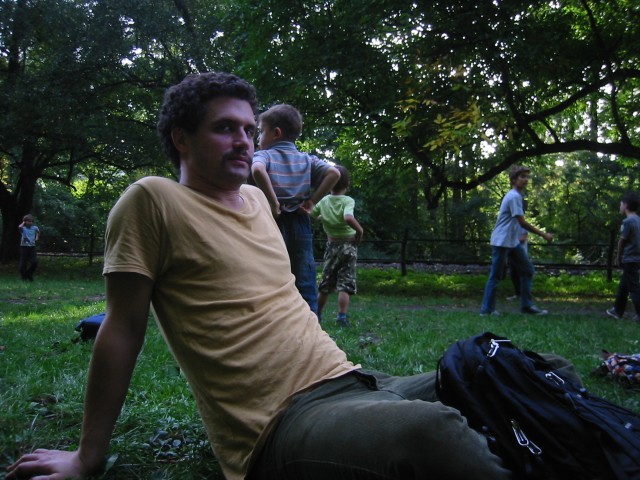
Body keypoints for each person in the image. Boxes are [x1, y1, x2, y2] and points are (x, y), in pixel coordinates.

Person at [7, 72, 513, 480]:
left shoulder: (256, 200)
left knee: (503, 370)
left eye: (249, 129)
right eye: (225, 128)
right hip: (280, 423)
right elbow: (122, 327)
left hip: (354, 381)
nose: (243, 141)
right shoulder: (153, 200)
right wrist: (87, 457)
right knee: (430, 431)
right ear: (181, 138)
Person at [251, 104, 341, 315]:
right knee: (304, 277)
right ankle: (311, 322)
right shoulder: (306, 159)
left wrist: (273, 202)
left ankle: (273, 317)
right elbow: (334, 174)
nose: (258, 138)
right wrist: (312, 202)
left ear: (276, 133)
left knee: (269, 274)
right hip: (301, 222)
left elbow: (257, 170)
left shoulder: (265, 155)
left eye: (261, 132)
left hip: (272, 221)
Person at [480, 165, 553, 316]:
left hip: (512, 242)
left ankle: (527, 306)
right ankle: (486, 310)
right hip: (502, 241)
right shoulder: (513, 196)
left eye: (527, 177)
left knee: (527, 270)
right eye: (522, 177)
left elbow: (518, 223)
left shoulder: (516, 196)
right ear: (514, 180)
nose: (526, 180)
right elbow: (522, 222)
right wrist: (543, 234)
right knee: (496, 276)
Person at [311, 165, 363, 327]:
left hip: (331, 246)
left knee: (325, 284)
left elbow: (311, 214)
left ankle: (317, 315)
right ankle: (341, 317)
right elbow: (348, 217)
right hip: (348, 246)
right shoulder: (347, 200)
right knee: (345, 284)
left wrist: (323, 217)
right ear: (347, 184)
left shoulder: (323, 201)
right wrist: (360, 231)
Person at [606, 191, 640, 322]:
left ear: (625, 205)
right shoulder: (638, 220)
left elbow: (622, 241)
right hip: (637, 258)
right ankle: (617, 310)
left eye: (620, 204)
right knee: (624, 285)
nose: (619, 207)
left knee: (634, 288)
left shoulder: (627, 222)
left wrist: (618, 257)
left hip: (630, 258)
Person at [18, 214, 40, 281]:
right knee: (22, 265)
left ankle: (29, 274)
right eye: (29, 221)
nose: (31, 223)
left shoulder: (35, 228)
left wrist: (37, 238)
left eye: (31, 221)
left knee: (34, 262)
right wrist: (23, 222)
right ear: (25, 221)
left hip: (32, 247)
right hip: (24, 247)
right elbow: (19, 227)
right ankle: (24, 277)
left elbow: (38, 232)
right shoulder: (23, 228)